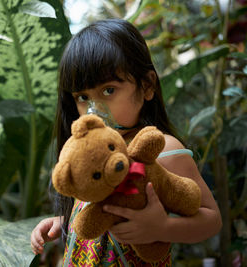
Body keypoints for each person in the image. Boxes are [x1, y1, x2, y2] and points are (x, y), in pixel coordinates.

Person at [30, 18, 222, 266]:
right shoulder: (89, 153)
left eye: (109, 90)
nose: (94, 109)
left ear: (146, 86)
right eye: (83, 97)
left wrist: (162, 228)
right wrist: (66, 221)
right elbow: (101, 205)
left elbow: (211, 219)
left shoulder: (163, 150)